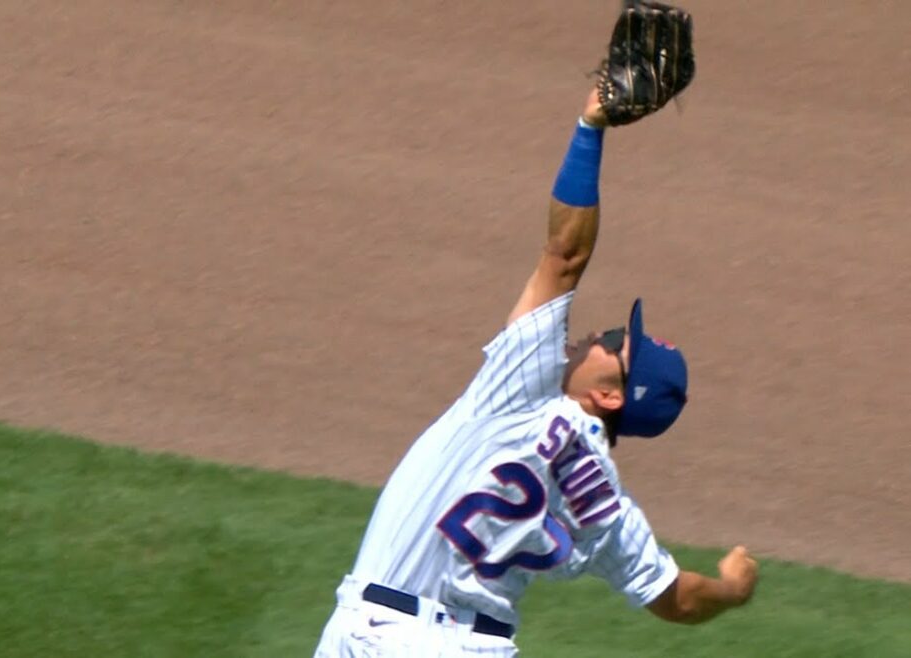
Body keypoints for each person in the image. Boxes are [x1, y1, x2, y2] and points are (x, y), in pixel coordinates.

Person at [312, 86, 759, 657]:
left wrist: (591, 128)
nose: (596, 335)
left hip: (381, 634)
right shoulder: (608, 509)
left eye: (614, 343)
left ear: (610, 396)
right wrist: (733, 589)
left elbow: (565, 256)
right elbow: (678, 599)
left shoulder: (522, 392)